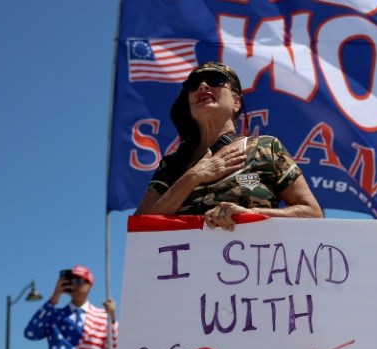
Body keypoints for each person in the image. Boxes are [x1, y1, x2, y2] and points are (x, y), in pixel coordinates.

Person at [134, 62, 323, 228]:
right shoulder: (173, 165)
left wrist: (251, 215)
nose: (202, 86)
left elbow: (313, 214)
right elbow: (140, 225)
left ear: (236, 102)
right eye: (193, 84)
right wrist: (193, 177)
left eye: (215, 79)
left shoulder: (266, 148)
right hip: (186, 267)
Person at [24, 265, 118, 349]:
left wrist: (113, 319)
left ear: (90, 285)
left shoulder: (101, 316)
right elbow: (31, 332)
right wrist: (54, 298)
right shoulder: (55, 315)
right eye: (71, 280)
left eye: (79, 281)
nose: (74, 284)